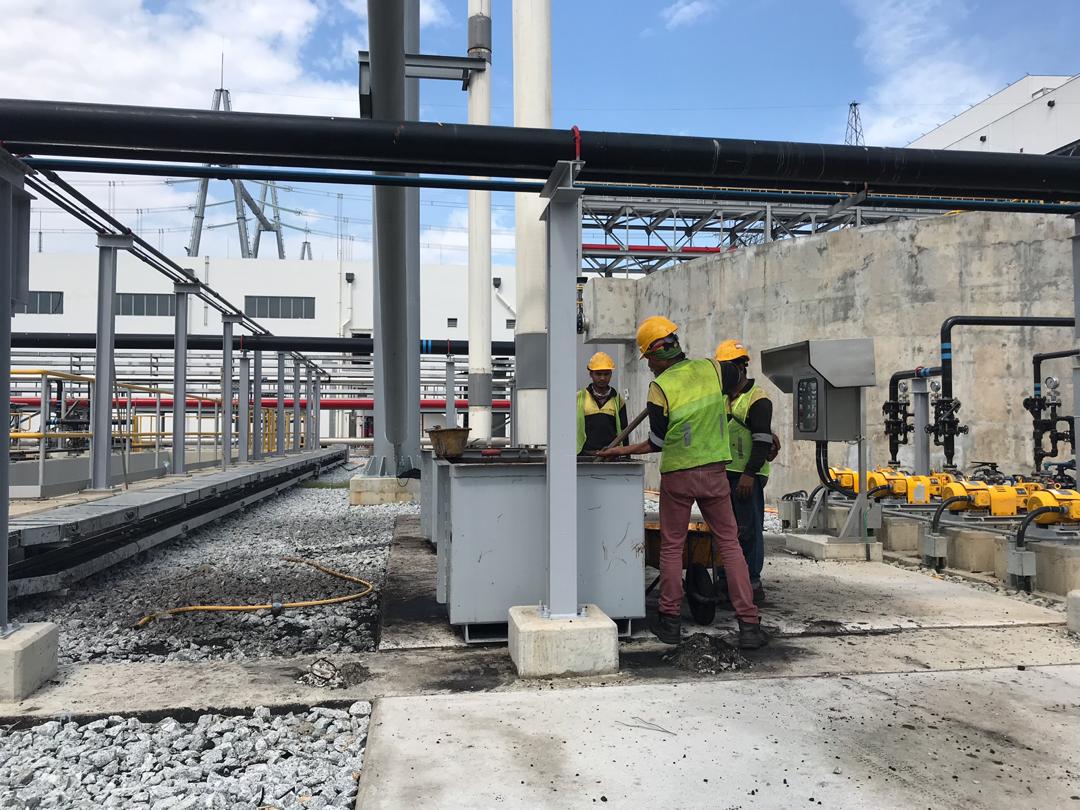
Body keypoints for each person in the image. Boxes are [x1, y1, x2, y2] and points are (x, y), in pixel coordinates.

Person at [598, 316, 767, 649]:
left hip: (678, 475)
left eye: (648, 360)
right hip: (716, 473)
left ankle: (670, 620)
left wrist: (620, 450)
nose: (649, 367)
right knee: (730, 546)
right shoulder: (714, 370)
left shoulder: (660, 388)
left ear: (657, 355)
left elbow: (658, 443)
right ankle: (749, 624)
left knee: (673, 547)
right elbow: (740, 380)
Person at [714, 339, 776, 606]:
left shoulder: (757, 399)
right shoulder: (723, 398)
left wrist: (749, 475)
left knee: (748, 529)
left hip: (746, 476)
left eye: (728, 369)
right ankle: (726, 581)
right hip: (723, 472)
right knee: (725, 531)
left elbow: (762, 440)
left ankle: (751, 582)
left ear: (741, 368)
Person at [577, 352, 629, 454]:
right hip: (584, 457)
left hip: (610, 456)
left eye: (606, 374)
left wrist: (626, 455)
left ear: (611, 374)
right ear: (591, 374)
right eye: (598, 374)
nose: (602, 378)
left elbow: (624, 432)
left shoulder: (618, 400)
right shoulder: (579, 398)